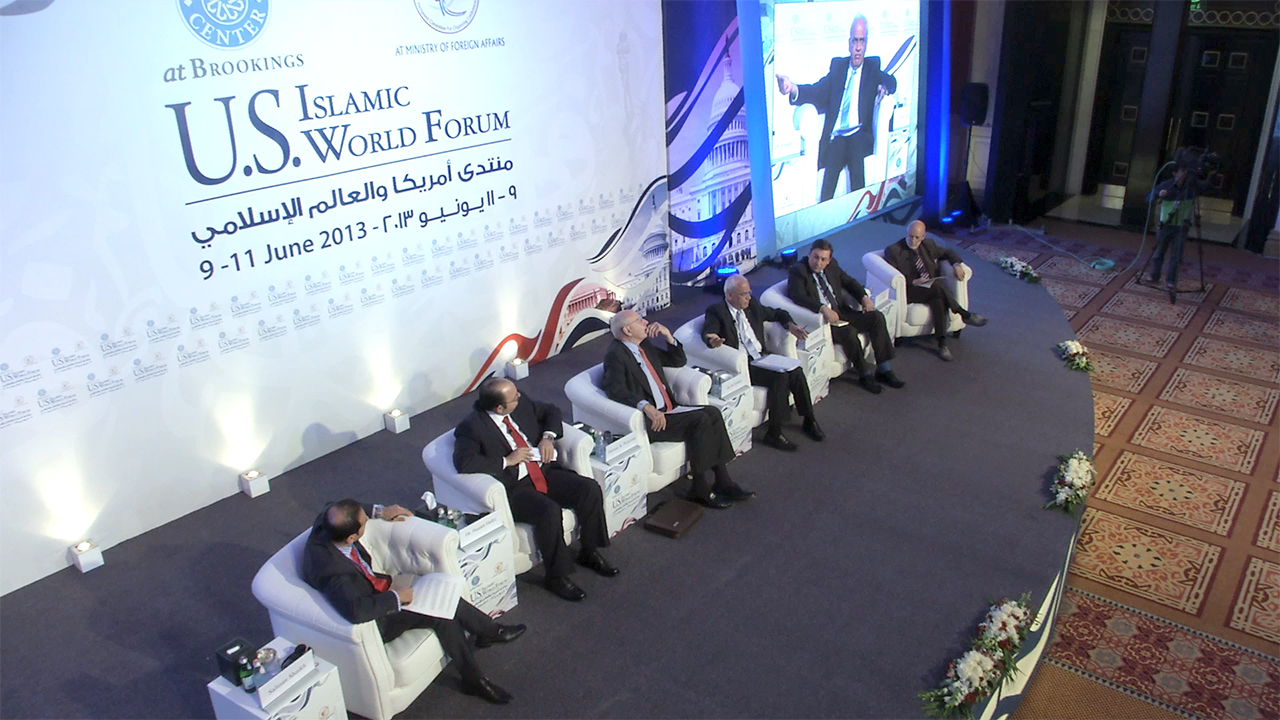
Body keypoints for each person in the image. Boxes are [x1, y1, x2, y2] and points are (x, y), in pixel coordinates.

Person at [301, 500, 524, 705]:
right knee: (443, 610)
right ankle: (483, 655)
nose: (368, 520)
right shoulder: (332, 572)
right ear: (351, 538)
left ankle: (480, 657)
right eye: (364, 522)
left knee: (443, 599)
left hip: (379, 584)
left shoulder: (327, 521)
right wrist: (397, 598)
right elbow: (357, 610)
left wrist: (381, 511)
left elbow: (347, 507)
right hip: (378, 617)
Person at [453, 377, 617, 603]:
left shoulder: (521, 404)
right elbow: (464, 462)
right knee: (548, 511)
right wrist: (507, 461)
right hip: (516, 487)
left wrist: (547, 438)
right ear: (499, 408)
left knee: (589, 488)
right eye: (514, 397)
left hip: (544, 471)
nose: (519, 397)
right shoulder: (472, 427)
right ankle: (556, 576)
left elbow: (551, 411)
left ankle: (589, 551)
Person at [602, 309, 754, 510]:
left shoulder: (643, 346)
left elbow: (677, 361)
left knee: (713, 413)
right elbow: (614, 388)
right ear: (627, 330)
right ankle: (699, 487)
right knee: (700, 420)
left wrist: (668, 336)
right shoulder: (615, 355)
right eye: (639, 320)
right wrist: (645, 406)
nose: (646, 322)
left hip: (670, 407)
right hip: (654, 419)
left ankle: (723, 480)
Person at [776, 14, 897, 200]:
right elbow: (817, 91)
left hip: (860, 135)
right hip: (838, 136)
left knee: (856, 148)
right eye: (855, 41)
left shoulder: (872, 69)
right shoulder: (838, 68)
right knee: (835, 152)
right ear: (849, 43)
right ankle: (825, 210)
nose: (858, 47)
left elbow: (891, 81)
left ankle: (860, 208)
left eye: (862, 41)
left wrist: (885, 87)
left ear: (866, 43)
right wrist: (792, 88)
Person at [702, 274, 824, 451]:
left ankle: (809, 419)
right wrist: (712, 339)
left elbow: (778, 313)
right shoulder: (717, 311)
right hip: (744, 365)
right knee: (780, 377)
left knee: (796, 371)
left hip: (762, 357)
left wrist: (790, 325)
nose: (748, 297)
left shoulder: (752, 306)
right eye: (744, 294)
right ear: (729, 295)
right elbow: (709, 331)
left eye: (749, 293)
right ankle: (774, 433)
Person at [787, 238, 904, 394]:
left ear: (829, 260)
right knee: (849, 332)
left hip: (842, 312)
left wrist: (863, 297)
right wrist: (822, 308)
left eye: (823, 259)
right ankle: (865, 374)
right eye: (815, 257)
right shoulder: (798, 271)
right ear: (809, 254)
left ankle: (884, 369)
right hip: (825, 322)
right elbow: (798, 296)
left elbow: (849, 282)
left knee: (876, 317)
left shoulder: (832, 266)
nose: (818, 263)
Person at [883, 221, 987, 361]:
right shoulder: (894, 251)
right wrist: (913, 281)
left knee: (938, 300)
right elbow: (891, 275)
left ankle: (942, 344)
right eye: (910, 236)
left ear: (923, 237)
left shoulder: (928, 245)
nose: (913, 240)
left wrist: (956, 265)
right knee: (937, 287)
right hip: (909, 290)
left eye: (917, 237)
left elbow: (948, 252)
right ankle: (963, 313)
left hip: (930, 288)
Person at [1146, 166, 1197, 300]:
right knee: (1158, 252)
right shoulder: (1166, 185)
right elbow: (1149, 196)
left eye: (1186, 171)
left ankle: (1171, 282)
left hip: (1182, 226)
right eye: (1182, 171)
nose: (1184, 174)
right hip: (1165, 226)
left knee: (1176, 255)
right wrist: (1159, 194)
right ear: (1175, 173)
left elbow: (1206, 187)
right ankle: (1154, 276)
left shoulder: (1191, 187)